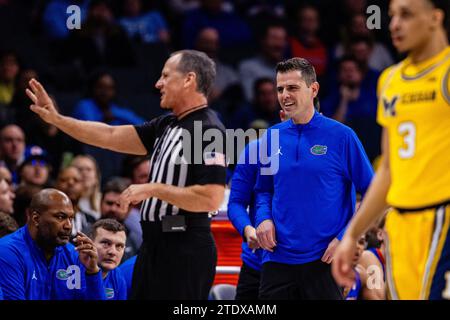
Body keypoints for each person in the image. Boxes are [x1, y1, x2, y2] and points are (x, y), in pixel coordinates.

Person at [26, 49, 227, 299]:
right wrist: (57, 120)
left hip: (185, 246)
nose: (158, 83)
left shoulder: (208, 130)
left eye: (166, 76)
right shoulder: (166, 125)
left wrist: (152, 188)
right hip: (155, 244)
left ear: (189, 79)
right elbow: (109, 135)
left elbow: (211, 198)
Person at [332, 0, 450, 300]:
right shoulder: (390, 81)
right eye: (392, 16)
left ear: (435, 18)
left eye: (407, 15)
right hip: (399, 223)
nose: (395, 24)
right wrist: (353, 234)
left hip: (441, 215)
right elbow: (387, 169)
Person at [255, 57, 374, 300]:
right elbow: (263, 190)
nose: (284, 95)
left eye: (292, 88)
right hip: (277, 260)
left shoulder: (342, 137)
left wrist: (345, 237)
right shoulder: (271, 136)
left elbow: (372, 194)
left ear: (314, 89)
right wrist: (263, 218)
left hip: (325, 260)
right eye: (280, 89)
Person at [0, 189, 106, 300]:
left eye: (71, 218)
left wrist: (92, 271)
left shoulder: (76, 256)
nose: (69, 226)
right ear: (36, 219)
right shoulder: (7, 251)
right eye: (60, 217)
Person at [227, 139, 263, 300]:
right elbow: (236, 203)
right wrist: (247, 229)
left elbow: (346, 203)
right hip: (257, 265)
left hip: (314, 265)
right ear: (282, 114)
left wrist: (338, 240)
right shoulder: (257, 150)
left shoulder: (336, 142)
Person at [100, 177, 140, 260]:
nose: (113, 209)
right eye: (109, 203)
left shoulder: (134, 240)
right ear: (100, 203)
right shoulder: (87, 234)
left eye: (119, 204)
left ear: (129, 209)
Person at [91, 219, 128, 300]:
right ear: (90, 243)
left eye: (119, 246)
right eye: (106, 243)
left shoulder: (118, 276)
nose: (112, 252)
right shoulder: (72, 269)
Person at [55, 166, 96, 237]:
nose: (70, 183)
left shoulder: (91, 220)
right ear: (56, 186)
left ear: (83, 187)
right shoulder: (49, 218)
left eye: (76, 180)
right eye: (64, 180)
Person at [344, 234, 385, 300]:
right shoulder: (369, 257)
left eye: (361, 242)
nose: (357, 246)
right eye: (352, 241)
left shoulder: (360, 274)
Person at [71, 154, 102, 220]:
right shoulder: (66, 200)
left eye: (89, 169)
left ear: (96, 176)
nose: (84, 173)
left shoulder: (104, 201)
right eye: (80, 169)